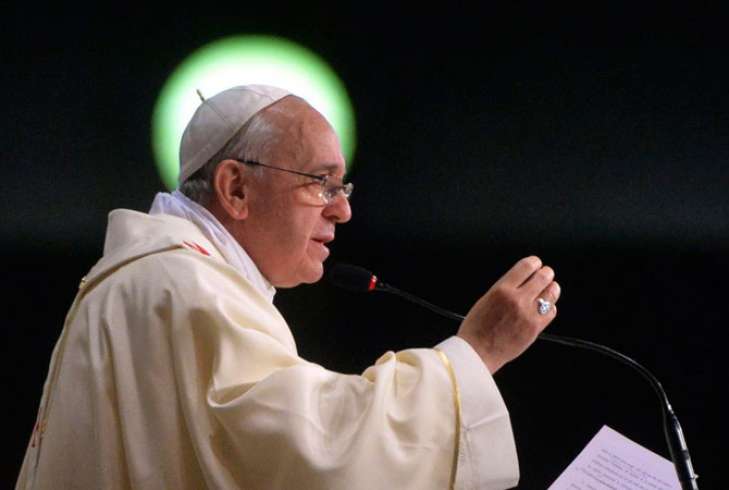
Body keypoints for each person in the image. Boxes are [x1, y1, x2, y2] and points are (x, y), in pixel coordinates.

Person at [16, 85, 560, 490]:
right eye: (321, 184)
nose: (342, 210)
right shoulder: (183, 286)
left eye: (342, 188)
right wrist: (477, 353)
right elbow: (314, 457)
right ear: (236, 188)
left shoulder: (150, 278)